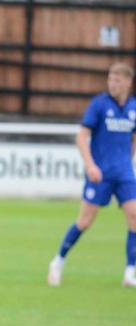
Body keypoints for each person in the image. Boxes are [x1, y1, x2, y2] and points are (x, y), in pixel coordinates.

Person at [48, 63, 136, 288]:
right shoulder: (99, 105)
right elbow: (81, 137)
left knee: (134, 217)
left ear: (128, 82)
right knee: (85, 222)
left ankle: (130, 272)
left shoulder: (133, 107)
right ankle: (58, 261)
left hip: (124, 173)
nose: (112, 84)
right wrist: (90, 165)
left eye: (117, 80)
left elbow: (133, 138)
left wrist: (128, 159)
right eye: (110, 79)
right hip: (100, 174)